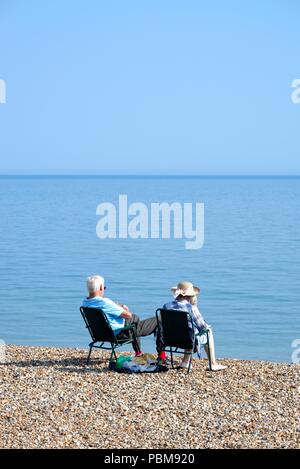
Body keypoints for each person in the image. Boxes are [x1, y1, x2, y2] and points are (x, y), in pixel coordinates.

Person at [82, 275, 166, 359]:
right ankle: (161, 356)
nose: (104, 289)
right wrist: (124, 308)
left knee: (135, 318)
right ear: (100, 287)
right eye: (104, 287)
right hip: (119, 335)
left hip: (101, 334)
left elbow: (102, 307)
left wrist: (114, 306)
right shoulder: (105, 302)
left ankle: (138, 352)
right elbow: (128, 315)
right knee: (158, 319)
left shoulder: (85, 302)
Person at [163, 281, 227, 371]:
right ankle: (213, 363)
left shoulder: (166, 306)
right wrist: (195, 306)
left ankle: (185, 362)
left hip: (171, 339)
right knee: (208, 331)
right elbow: (202, 326)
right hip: (188, 340)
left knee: (186, 330)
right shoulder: (191, 308)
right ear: (190, 295)